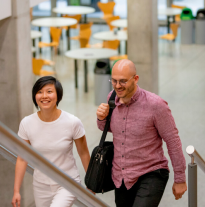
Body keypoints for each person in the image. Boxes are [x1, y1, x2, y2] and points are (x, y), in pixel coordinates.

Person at [96, 59, 187, 206]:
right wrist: (101, 118)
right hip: (121, 176)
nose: (118, 86)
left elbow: (172, 141)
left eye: (123, 81)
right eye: (114, 81)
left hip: (151, 172)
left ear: (135, 79)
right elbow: (111, 129)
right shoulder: (111, 98)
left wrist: (180, 178)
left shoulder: (156, 105)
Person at [12, 76, 91, 207]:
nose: (44, 96)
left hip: (68, 182)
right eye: (39, 92)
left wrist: (91, 184)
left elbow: (84, 153)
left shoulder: (72, 122)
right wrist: (16, 191)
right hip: (41, 185)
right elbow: (22, 158)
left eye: (49, 91)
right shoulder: (27, 123)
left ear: (58, 95)